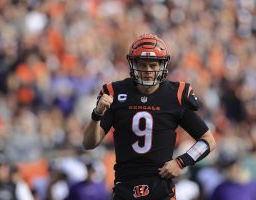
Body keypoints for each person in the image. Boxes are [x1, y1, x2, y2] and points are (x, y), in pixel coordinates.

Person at [83, 33, 216, 200]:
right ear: (133, 64)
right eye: (143, 64)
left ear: (162, 66)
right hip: (125, 185)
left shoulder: (174, 96)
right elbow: (89, 143)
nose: (148, 70)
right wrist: (97, 114)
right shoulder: (115, 93)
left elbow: (208, 140)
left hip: (161, 185)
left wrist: (181, 162)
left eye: (153, 65)